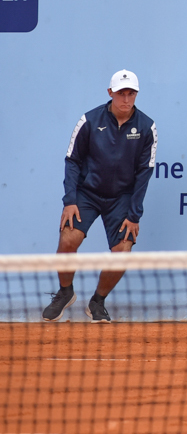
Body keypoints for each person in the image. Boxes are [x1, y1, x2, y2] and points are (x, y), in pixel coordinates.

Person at [41, 69, 156, 323]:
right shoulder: (90, 121)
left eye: (131, 93)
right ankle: (65, 292)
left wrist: (134, 214)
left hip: (122, 197)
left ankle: (97, 301)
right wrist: (70, 200)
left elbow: (144, 173)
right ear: (110, 93)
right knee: (68, 239)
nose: (126, 99)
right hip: (87, 193)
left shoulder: (147, 127)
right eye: (121, 93)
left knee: (122, 252)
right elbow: (72, 161)